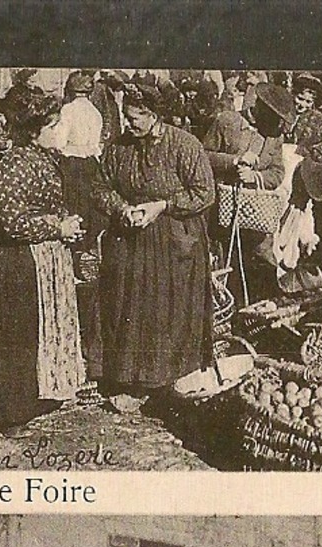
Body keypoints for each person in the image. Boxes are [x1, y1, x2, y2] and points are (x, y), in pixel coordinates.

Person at [0, 84, 87, 431]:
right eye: (53, 126)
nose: (60, 131)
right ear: (33, 133)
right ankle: (9, 413)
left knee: (32, 332)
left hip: (40, 257)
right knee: (17, 334)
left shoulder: (42, 159)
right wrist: (57, 226)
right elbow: (12, 222)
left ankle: (32, 399)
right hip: (17, 262)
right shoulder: (15, 165)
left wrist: (66, 224)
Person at [94, 79, 216, 399]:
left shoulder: (184, 145)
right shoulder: (118, 148)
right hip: (130, 239)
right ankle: (130, 379)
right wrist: (122, 209)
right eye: (126, 116)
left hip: (174, 241)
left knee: (168, 310)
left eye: (136, 118)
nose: (129, 123)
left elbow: (204, 193)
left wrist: (162, 206)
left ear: (154, 115)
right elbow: (100, 188)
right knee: (128, 306)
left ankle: (170, 381)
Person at [286, 75, 322, 159]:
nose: (302, 105)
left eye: (308, 102)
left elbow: (319, 148)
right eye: (300, 99)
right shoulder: (283, 109)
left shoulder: (317, 118)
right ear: (293, 94)